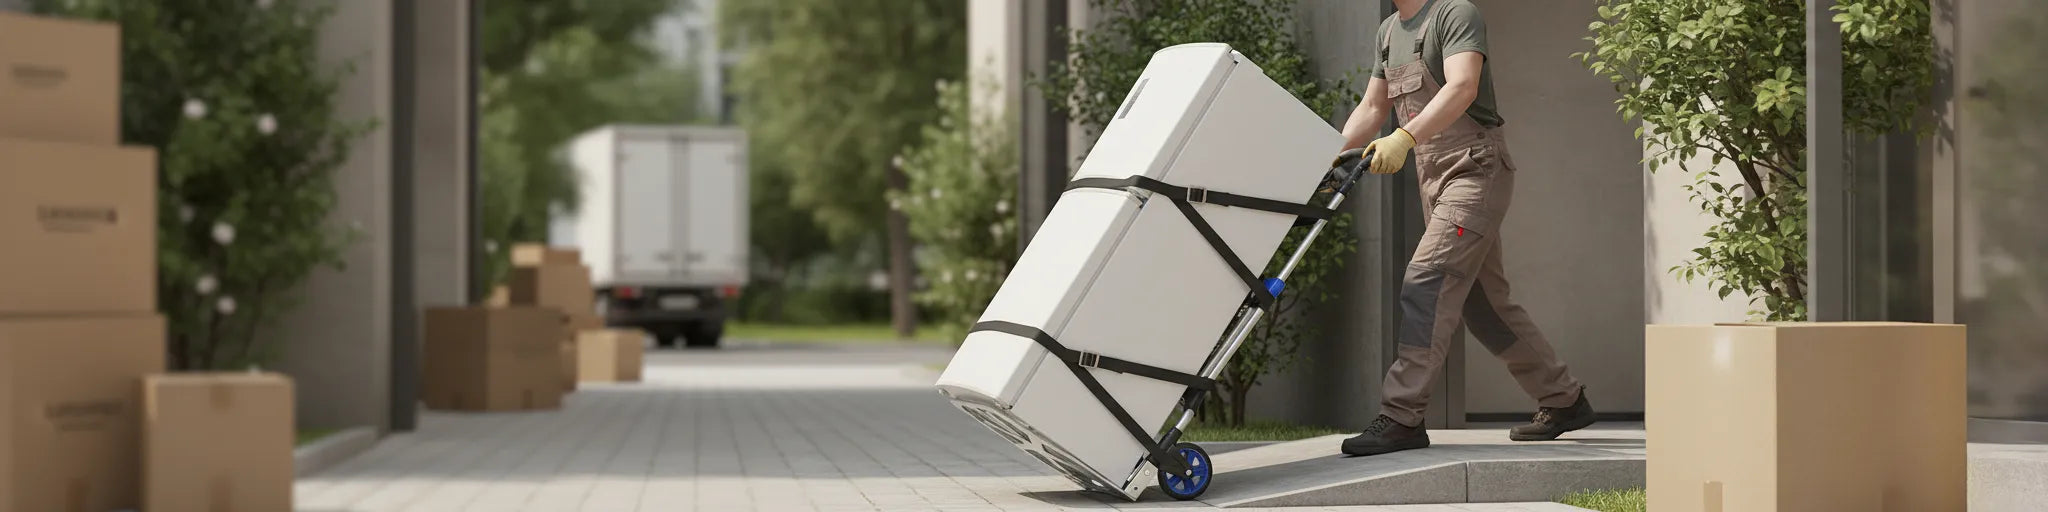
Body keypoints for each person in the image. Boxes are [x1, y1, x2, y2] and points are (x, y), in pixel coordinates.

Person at [1331, 0, 1593, 457]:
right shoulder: (1389, 32)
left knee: (1426, 280)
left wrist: (1404, 137)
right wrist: (1326, 156)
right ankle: (1564, 398)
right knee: (1483, 305)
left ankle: (1402, 415)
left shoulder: (1454, 14)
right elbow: (1373, 106)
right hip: (1432, 176)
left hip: (1476, 169)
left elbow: (1463, 86)